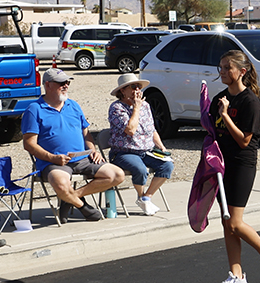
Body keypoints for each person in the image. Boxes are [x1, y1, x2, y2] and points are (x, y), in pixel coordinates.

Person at [209, 49, 260, 283]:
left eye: (226, 68)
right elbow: (213, 133)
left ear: (242, 71)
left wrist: (225, 115)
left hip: (242, 164)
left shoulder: (250, 102)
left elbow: (243, 140)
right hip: (222, 166)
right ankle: (237, 275)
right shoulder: (219, 98)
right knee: (226, 223)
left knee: (235, 222)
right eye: (220, 67)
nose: (222, 72)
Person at [22, 68, 123, 223]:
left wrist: (93, 150)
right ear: (47, 85)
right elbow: (29, 144)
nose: (66, 85)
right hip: (54, 162)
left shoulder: (73, 105)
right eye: (61, 83)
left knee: (117, 175)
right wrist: (53, 158)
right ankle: (83, 207)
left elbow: (86, 134)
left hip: (83, 158)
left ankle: (71, 198)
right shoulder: (34, 109)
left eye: (67, 82)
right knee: (62, 185)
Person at [107, 73, 173, 216]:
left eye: (139, 87)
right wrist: (136, 108)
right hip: (124, 152)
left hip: (146, 150)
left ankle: (145, 197)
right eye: (133, 87)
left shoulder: (146, 106)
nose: (137, 90)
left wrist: (161, 146)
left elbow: (152, 129)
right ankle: (141, 195)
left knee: (167, 165)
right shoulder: (117, 108)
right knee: (140, 169)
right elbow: (130, 130)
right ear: (122, 91)